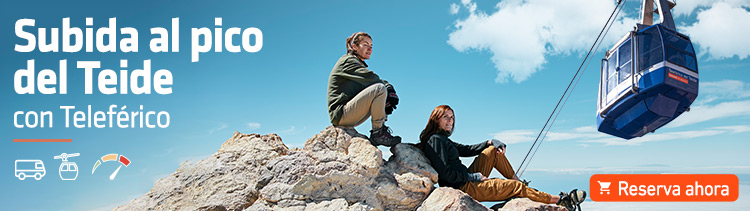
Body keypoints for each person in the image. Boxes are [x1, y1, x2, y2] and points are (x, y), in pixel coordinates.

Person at [418, 105, 586, 210]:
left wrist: (490, 141)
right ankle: (562, 201)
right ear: (436, 118)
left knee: (492, 151)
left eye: (452, 117)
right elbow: (445, 173)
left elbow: (467, 149)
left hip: (465, 179)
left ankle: (519, 181)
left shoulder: (441, 138)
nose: (450, 121)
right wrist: (472, 176)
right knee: (515, 188)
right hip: (462, 186)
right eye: (446, 117)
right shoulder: (435, 140)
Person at [327, 32, 401, 147]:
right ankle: (378, 133)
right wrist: (389, 88)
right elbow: (373, 79)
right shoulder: (348, 61)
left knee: (382, 92)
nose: (370, 49)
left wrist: (386, 100)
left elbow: (371, 82)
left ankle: (381, 129)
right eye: (365, 45)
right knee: (380, 89)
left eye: (371, 46)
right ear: (354, 47)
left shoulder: (357, 65)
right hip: (341, 114)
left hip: (349, 114)